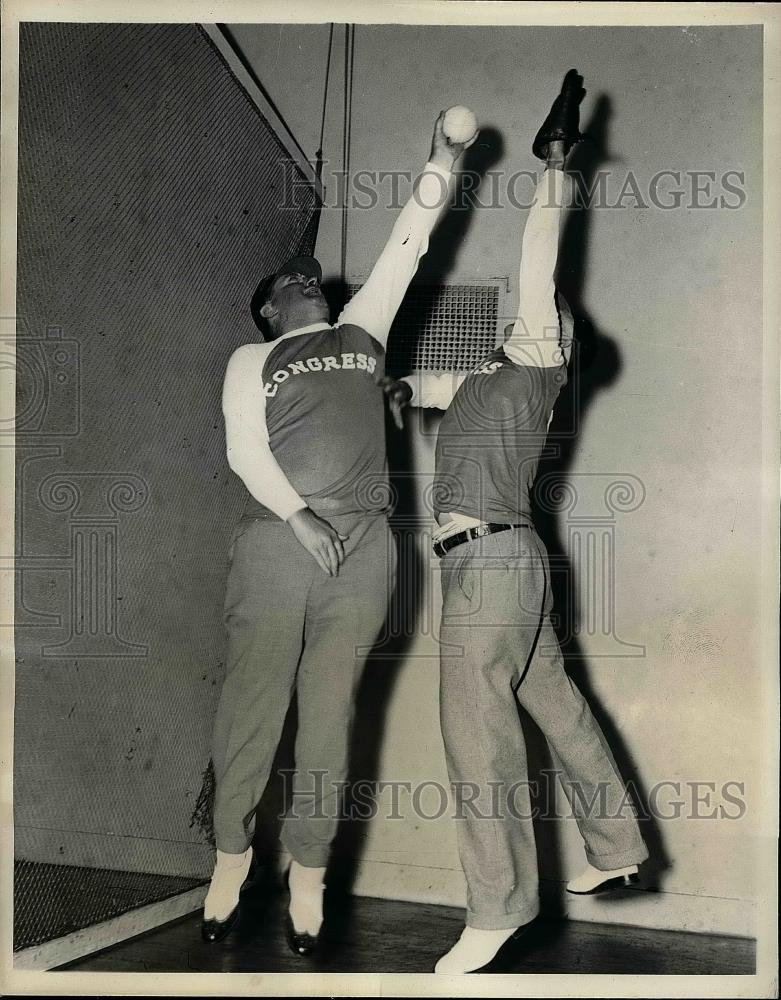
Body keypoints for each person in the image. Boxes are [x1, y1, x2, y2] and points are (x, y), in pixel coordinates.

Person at [383, 70, 649, 975]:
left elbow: (541, 249)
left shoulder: (535, 360)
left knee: (474, 729)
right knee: (556, 707)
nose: (533, 309)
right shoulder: (484, 381)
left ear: (556, 340)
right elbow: (418, 389)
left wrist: (555, 159)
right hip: (510, 567)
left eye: (547, 315)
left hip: (489, 565)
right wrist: (385, 383)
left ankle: (496, 909)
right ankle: (618, 851)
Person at [201, 113, 474, 955]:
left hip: (364, 551)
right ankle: (228, 861)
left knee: (330, 716)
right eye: (290, 283)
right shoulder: (253, 362)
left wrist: (444, 158)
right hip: (279, 540)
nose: (306, 282)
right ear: (267, 310)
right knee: (254, 706)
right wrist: (300, 517)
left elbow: (407, 242)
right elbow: (245, 451)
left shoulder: (364, 331)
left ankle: (308, 877)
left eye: (310, 279)